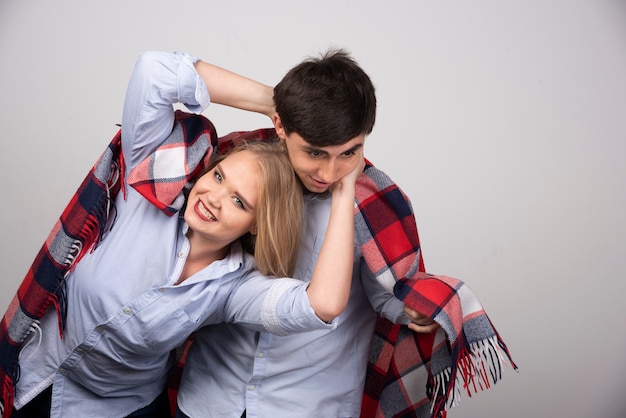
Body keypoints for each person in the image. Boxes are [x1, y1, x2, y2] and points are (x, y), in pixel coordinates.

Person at [2, 51, 363, 418]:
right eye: (219, 178)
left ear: (257, 224)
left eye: (239, 201)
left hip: (121, 410)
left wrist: (344, 186)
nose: (215, 199)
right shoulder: (146, 187)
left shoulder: (231, 289)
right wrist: (287, 108)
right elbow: (154, 72)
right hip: (32, 378)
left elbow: (323, 304)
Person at [175, 49, 438, 418]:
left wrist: (414, 310)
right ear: (282, 127)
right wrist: (276, 99)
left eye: (349, 153)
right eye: (314, 153)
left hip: (309, 406)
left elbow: (390, 295)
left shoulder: (375, 206)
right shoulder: (237, 170)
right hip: (209, 399)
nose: (330, 172)